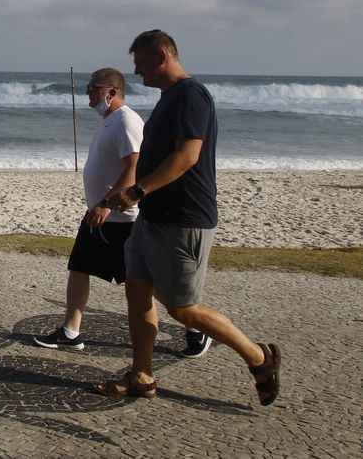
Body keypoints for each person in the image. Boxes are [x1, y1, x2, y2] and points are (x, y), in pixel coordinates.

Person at [98, 30, 280, 405]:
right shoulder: (169, 98)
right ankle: (142, 375)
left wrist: (136, 191)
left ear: (162, 55)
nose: (137, 73)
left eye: (141, 64)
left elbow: (187, 157)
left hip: (183, 221)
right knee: (137, 293)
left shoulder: (191, 96)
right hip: (151, 218)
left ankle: (260, 358)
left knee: (182, 308)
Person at [33, 68, 144, 350]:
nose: (88, 94)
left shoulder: (126, 120)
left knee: (144, 283)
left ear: (111, 92)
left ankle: (194, 326)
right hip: (100, 214)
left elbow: (135, 167)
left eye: (93, 88)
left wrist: (108, 204)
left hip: (122, 219)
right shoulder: (110, 120)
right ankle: (71, 332)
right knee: (79, 267)